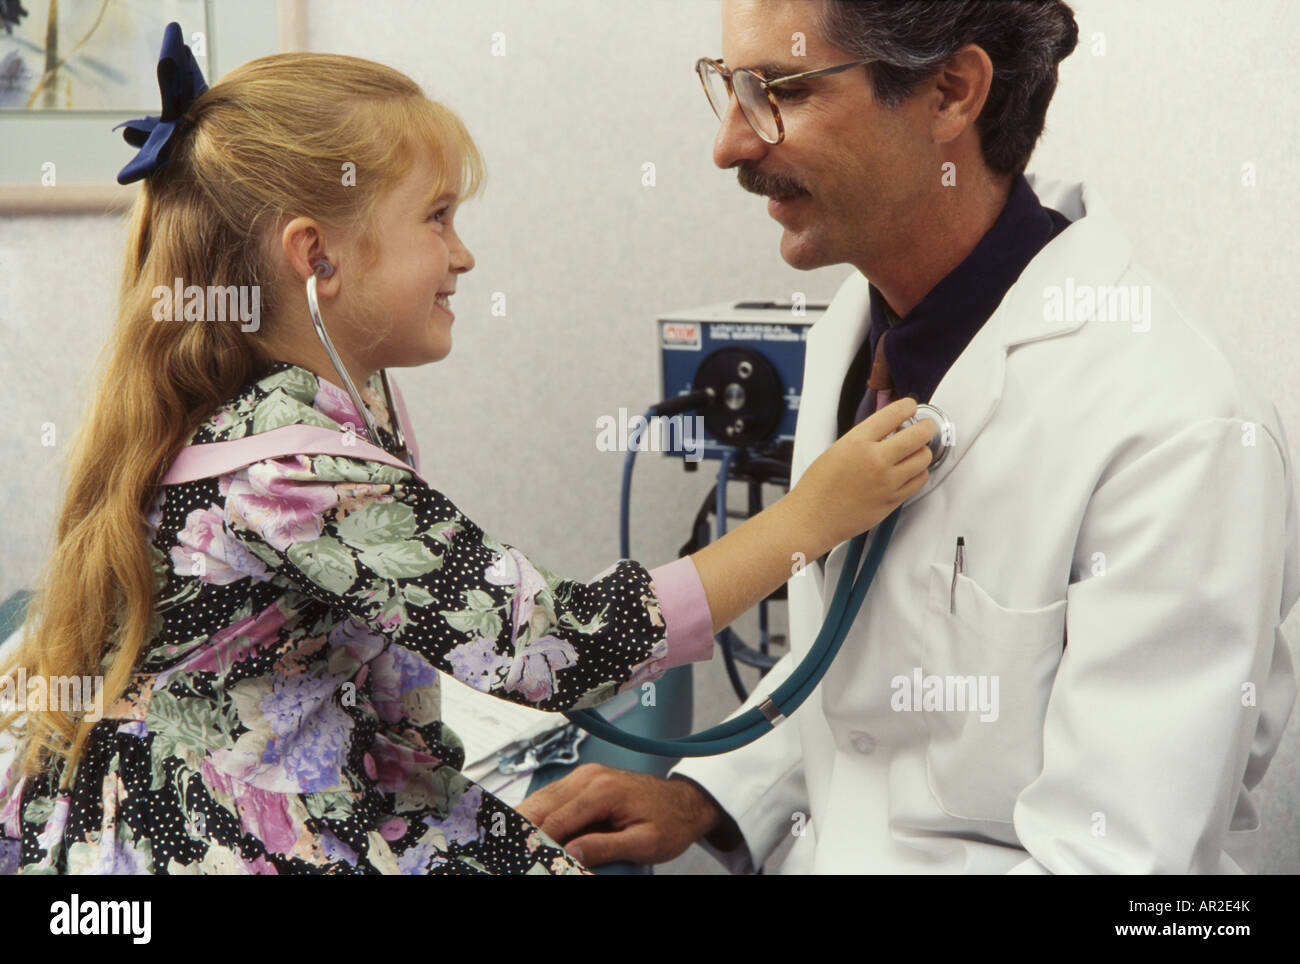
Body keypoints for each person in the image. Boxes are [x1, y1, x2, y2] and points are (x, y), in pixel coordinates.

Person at [0, 26, 938, 874]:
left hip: (313, 760)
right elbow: (544, 651)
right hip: (205, 830)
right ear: (316, 256)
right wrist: (809, 518)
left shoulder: (343, 396)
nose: (464, 256)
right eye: (438, 217)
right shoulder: (288, 468)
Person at [518, 0, 1299, 873]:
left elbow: (1118, 863)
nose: (729, 146)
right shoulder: (856, 333)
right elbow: (862, 673)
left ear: (951, 93)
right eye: (730, 89)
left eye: (776, 90)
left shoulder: (1175, 430)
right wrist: (712, 791)